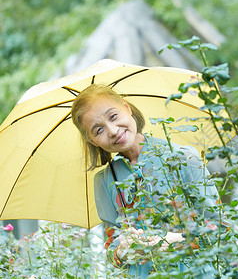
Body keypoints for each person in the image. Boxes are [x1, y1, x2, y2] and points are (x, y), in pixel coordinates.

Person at [71, 84, 220, 277]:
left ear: (127, 107)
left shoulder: (182, 158)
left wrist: (173, 240)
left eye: (113, 116)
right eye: (98, 130)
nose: (113, 131)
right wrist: (122, 250)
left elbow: (218, 227)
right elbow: (111, 248)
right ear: (93, 141)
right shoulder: (105, 181)